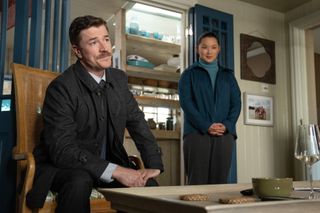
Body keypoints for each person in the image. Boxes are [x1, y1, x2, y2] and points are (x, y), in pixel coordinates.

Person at [26, 15, 164, 213]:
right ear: (77, 51)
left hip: (108, 167)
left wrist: (154, 165)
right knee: (79, 180)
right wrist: (117, 171)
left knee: (148, 187)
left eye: (106, 39)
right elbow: (62, 150)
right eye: (93, 42)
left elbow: (138, 123)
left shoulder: (118, 79)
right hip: (63, 167)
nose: (104, 48)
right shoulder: (61, 88)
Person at [178, 32, 241, 185]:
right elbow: (187, 104)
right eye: (204, 47)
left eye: (213, 47)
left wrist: (226, 125)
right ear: (197, 49)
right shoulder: (188, 75)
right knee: (197, 181)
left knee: (220, 182)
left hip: (224, 134)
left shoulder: (228, 76)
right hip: (196, 134)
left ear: (218, 49)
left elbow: (236, 103)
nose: (209, 51)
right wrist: (206, 126)